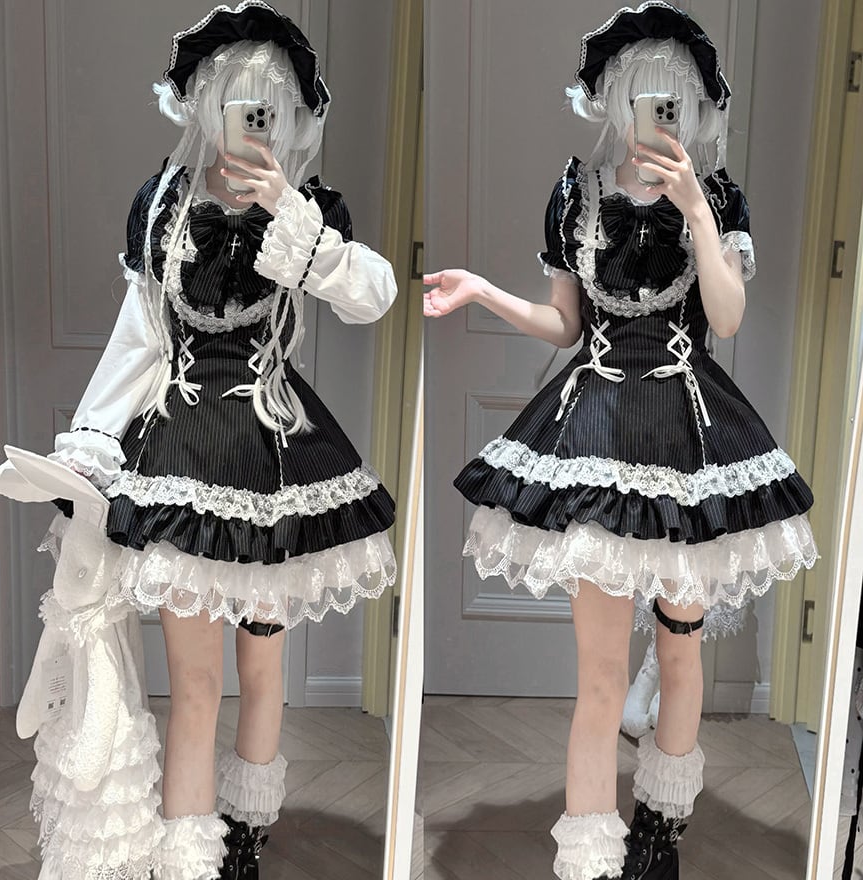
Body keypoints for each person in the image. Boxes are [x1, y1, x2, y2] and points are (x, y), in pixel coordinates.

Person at [424, 3, 816, 878]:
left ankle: (659, 835)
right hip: (594, 434)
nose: (659, 112)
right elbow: (565, 325)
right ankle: (591, 859)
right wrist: (483, 291)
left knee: (679, 650)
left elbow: (726, 317)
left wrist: (697, 210)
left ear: (698, 106)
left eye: (675, 97)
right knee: (600, 674)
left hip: (688, 441)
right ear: (614, 100)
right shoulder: (575, 193)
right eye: (645, 94)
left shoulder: (719, 197)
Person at [42, 3, 398, 879]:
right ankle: (189, 860)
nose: (253, 119)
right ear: (205, 104)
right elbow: (139, 338)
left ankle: (244, 842)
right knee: (196, 686)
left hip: (277, 460)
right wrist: (90, 441)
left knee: (264, 672)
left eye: (269, 105)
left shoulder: (307, 212)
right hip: (182, 459)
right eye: (239, 102)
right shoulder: (163, 206)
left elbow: (373, 297)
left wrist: (289, 212)